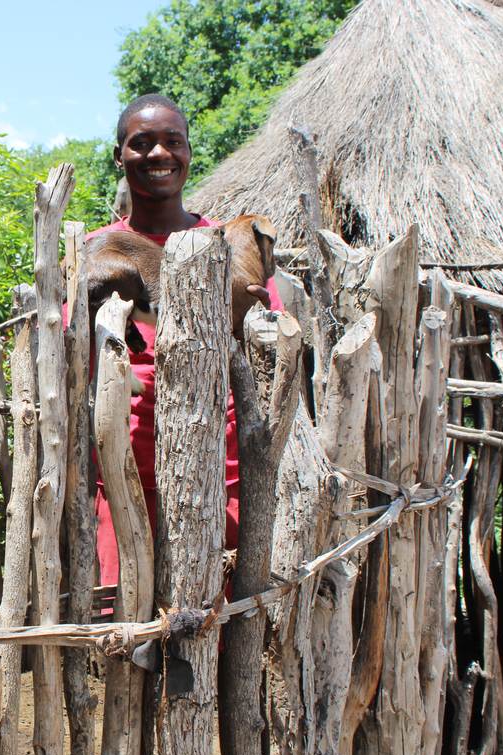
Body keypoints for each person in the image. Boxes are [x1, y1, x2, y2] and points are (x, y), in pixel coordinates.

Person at [90, 94, 284, 593]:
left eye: (172, 141)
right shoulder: (97, 252)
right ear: (119, 156)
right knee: (127, 638)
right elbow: (75, 357)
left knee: (215, 629)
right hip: (126, 475)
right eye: (142, 143)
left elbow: (270, 351)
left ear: (189, 152)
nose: (159, 154)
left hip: (223, 474)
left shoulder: (231, 250)